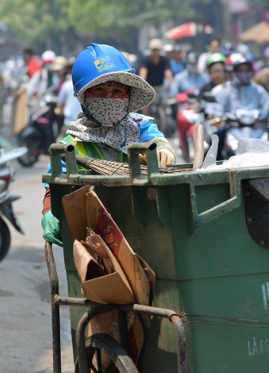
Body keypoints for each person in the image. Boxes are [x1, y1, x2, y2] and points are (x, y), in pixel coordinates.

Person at [41, 43, 176, 246]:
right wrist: (50, 213)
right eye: (100, 90)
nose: (109, 97)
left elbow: (156, 141)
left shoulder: (140, 128)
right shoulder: (71, 144)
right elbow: (54, 188)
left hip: (146, 232)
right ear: (84, 97)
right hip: (95, 238)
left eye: (117, 90)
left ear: (129, 94)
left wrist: (162, 149)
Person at [209, 53, 269, 159]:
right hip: (233, 127)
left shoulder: (258, 90)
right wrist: (217, 118)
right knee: (214, 139)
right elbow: (218, 110)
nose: (243, 73)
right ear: (234, 72)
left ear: (251, 71)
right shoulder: (226, 92)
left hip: (257, 126)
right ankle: (213, 171)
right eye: (239, 70)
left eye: (246, 70)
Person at [139, 38, 174, 116]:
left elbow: (168, 72)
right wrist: (141, 85)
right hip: (148, 86)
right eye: (153, 50)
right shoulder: (145, 60)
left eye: (157, 49)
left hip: (160, 85)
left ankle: (165, 118)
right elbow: (143, 73)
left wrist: (172, 85)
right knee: (146, 104)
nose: (155, 52)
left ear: (160, 50)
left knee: (165, 101)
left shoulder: (164, 60)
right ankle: (146, 120)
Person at [54, 56, 82, 129]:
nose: (57, 72)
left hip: (70, 122)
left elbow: (60, 106)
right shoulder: (64, 81)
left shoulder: (67, 83)